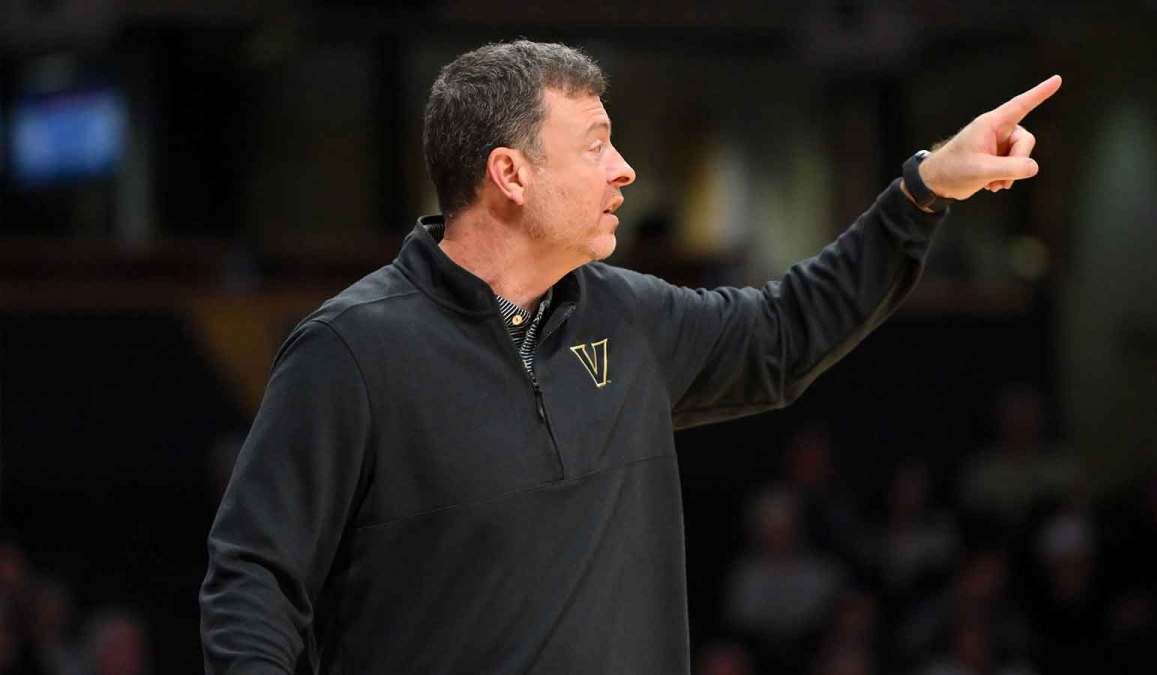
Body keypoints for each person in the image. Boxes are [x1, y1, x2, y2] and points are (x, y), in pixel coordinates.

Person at [199, 39, 1060, 673]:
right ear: (509, 173)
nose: (626, 169)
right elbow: (254, 582)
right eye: (596, 144)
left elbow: (787, 331)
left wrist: (922, 191)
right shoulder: (350, 348)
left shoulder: (628, 313)